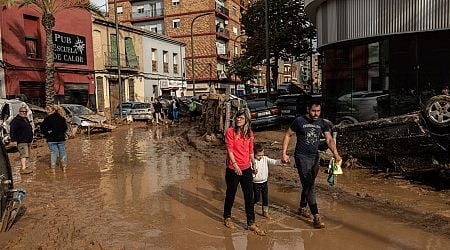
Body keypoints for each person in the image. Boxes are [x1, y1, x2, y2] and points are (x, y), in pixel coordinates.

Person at [282, 100, 341, 229]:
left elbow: (329, 139)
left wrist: (335, 153)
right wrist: (284, 153)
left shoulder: (322, 123)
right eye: (313, 111)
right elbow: (288, 135)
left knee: (309, 183)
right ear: (308, 109)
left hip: (315, 157)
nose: (316, 114)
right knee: (309, 184)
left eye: (318, 111)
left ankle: (303, 207)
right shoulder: (299, 121)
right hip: (301, 157)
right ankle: (316, 216)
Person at [223, 109, 265, 236]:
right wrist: (235, 165)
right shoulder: (230, 132)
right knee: (231, 193)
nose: (238, 119)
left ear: (246, 119)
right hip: (233, 169)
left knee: (249, 196)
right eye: (237, 117)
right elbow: (229, 150)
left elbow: (251, 150)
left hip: (246, 168)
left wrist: (253, 164)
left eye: (241, 118)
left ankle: (251, 222)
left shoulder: (249, 133)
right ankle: (227, 217)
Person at [252, 143, 281, 219]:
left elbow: (273, 161)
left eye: (262, 154)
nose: (261, 157)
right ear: (253, 154)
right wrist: (252, 171)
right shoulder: (252, 161)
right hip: (255, 183)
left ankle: (265, 212)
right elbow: (249, 171)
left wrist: (282, 161)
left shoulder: (265, 158)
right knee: (256, 198)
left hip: (264, 182)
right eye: (258, 155)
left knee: (265, 198)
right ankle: (250, 207)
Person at [41, 105, 68, 172]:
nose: (47, 112)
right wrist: (61, 133)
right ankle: (64, 168)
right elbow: (65, 128)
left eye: (48, 111)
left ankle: (53, 169)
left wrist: (47, 135)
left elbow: (42, 129)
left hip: (51, 139)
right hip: (61, 138)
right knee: (62, 152)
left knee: (53, 153)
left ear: (53, 111)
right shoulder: (62, 118)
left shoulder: (47, 119)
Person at [9, 106, 33, 174]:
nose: (24, 113)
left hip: (27, 140)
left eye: (25, 111)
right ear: (19, 112)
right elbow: (12, 131)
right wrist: (13, 140)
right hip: (21, 140)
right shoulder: (15, 121)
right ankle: (23, 169)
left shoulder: (26, 119)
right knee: (24, 154)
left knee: (26, 154)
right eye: (23, 111)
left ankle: (24, 166)